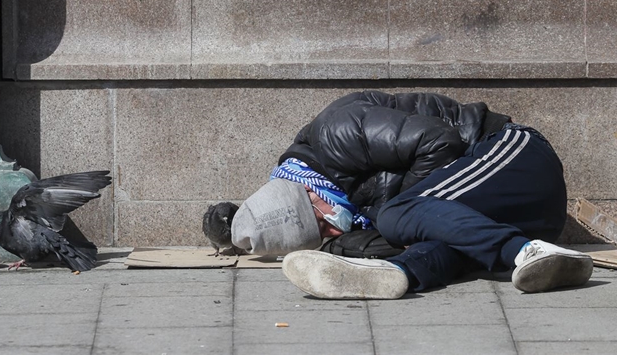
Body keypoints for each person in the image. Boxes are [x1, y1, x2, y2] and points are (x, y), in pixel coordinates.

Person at [231, 91, 593, 299]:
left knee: (397, 216)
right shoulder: (341, 209)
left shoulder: (335, 134)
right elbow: (392, 233)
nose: (334, 231)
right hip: (520, 219)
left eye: (323, 225)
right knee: (433, 242)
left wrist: (401, 208)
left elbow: (439, 142)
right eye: (323, 238)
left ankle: (525, 252)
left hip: (513, 157)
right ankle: (395, 275)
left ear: (308, 193)